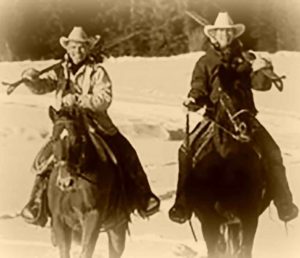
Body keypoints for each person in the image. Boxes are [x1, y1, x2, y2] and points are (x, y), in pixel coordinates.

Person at [20, 26, 160, 225]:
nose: (77, 51)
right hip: (65, 123)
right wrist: (30, 80)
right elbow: (41, 87)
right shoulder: (59, 70)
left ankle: (143, 197)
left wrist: (78, 99)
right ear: (67, 48)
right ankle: (35, 203)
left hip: (95, 124)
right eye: (74, 47)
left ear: (88, 49)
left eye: (82, 47)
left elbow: (104, 98)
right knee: (44, 159)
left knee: (127, 152)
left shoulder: (97, 72)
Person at [169, 12, 298, 224]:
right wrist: (193, 100)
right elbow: (199, 87)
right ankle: (182, 204)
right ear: (213, 36)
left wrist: (263, 69)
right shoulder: (205, 61)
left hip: (245, 118)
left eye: (229, 32)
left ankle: (284, 203)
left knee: (272, 152)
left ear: (233, 34)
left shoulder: (246, 59)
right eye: (221, 32)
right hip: (213, 119)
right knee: (185, 150)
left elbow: (261, 85)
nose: (225, 35)